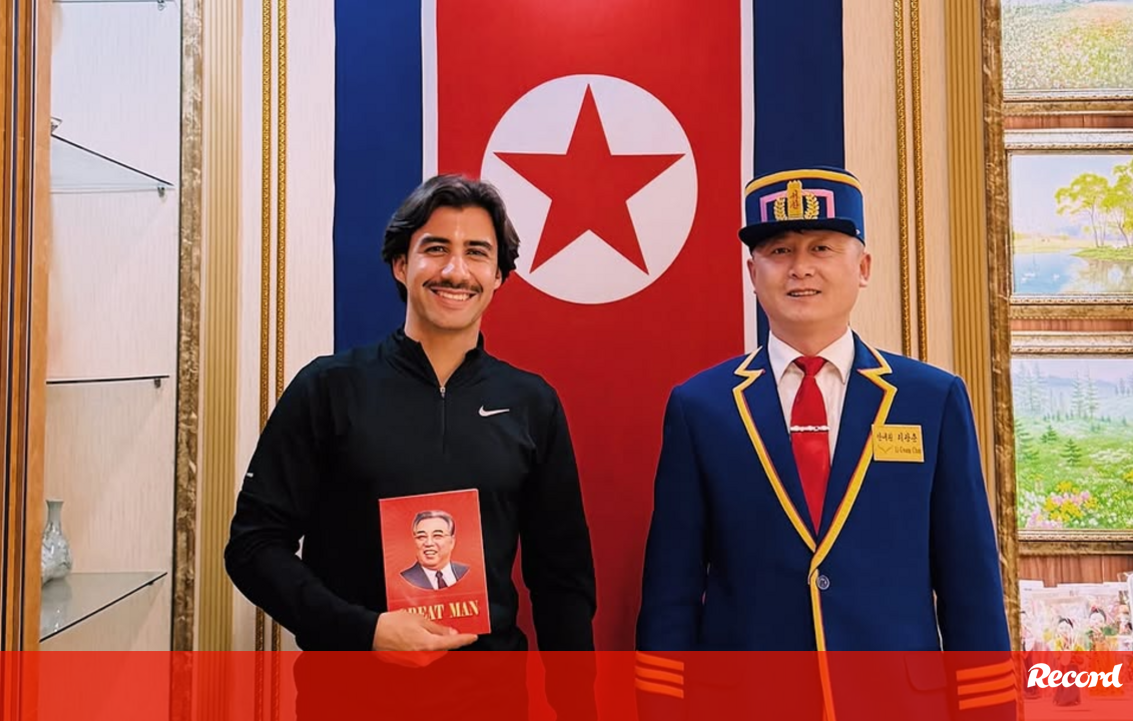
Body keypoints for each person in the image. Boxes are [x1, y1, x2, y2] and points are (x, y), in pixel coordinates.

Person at [634, 167, 1015, 721]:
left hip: (898, 705)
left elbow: (969, 579)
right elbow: (673, 586)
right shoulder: (702, 407)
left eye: (821, 247)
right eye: (779, 250)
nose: (800, 268)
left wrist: (988, 708)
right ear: (752, 273)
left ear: (863, 267)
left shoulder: (930, 399)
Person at [225, 174, 597, 720]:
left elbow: (561, 577)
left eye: (477, 252)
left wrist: (577, 705)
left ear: (498, 275)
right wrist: (366, 631)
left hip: (490, 703)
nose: (455, 271)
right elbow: (253, 548)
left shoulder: (531, 403)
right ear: (402, 264)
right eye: (436, 248)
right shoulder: (327, 389)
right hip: (347, 701)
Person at [400, 510, 470, 590]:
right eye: (421, 537)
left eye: (437, 536)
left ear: (451, 542)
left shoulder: (466, 572)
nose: (429, 543)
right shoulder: (403, 580)